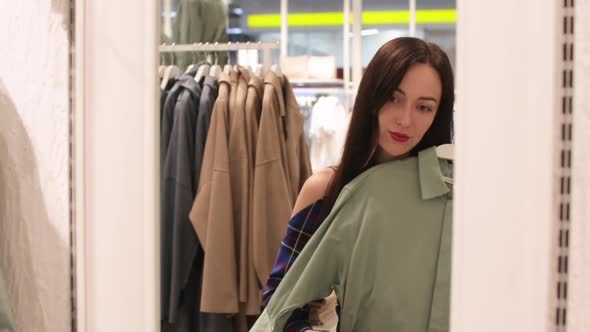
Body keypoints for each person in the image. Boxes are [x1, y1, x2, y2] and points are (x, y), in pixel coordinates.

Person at [260, 36, 454, 332]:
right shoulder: (328, 189)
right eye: (394, 98)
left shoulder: (451, 198)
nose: (405, 119)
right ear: (372, 98)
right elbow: (281, 302)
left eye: (423, 107)